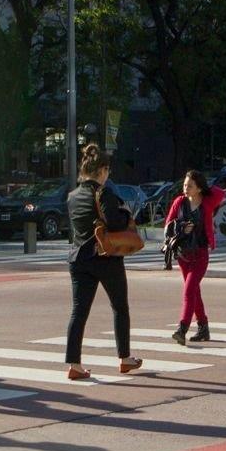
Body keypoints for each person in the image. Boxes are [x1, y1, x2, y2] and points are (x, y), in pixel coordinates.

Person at [64, 143, 143, 379]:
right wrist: (126, 213)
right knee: (120, 307)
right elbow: (116, 223)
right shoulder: (104, 193)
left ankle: (74, 364)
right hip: (105, 258)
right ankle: (124, 358)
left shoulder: (73, 196)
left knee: (79, 311)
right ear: (103, 170)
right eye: (107, 171)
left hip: (79, 258)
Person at [165, 169, 226, 344]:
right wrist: (181, 227)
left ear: (199, 188)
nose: (185, 188)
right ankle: (203, 327)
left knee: (189, 290)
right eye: (184, 185)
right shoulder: (179, 202)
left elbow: (220, 193)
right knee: (194, 292)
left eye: (190, 185)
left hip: (200, 253)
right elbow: (168, 226)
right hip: (183, 254)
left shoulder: (207, 202)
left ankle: (182, 328)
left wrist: (203, 186)